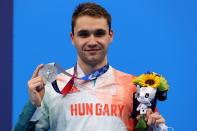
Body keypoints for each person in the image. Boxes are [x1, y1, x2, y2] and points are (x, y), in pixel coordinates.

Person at [14, 2, 165, 131]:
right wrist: (34, 106)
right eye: (84, 34)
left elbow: (147, 125)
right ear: (72, 38)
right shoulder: (53, 86)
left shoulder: (134, 87)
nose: (92, 41)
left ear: (110, 36)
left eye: (99, 34)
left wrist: (154, 128)